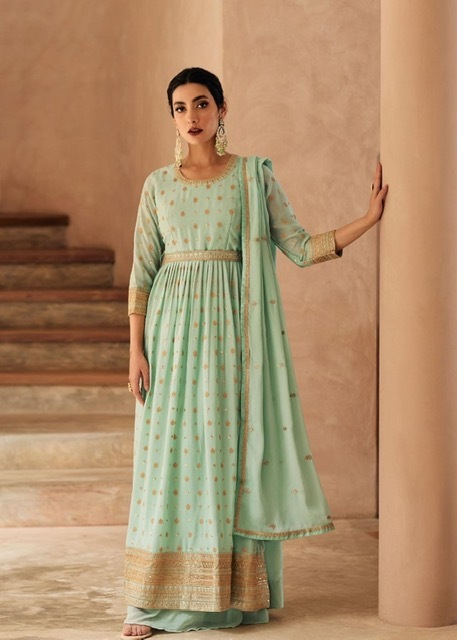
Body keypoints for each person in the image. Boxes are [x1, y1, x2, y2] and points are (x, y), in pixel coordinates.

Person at [122, 67, 388, 640]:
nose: (191, 116)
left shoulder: (251, 177)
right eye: (180, 108)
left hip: (232, 341)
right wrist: (136, 351)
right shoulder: (157, 186)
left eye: (201, 104)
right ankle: (153, 600)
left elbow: (299, 246)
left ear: (222, 109)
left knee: (224, 459)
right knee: (170, 459)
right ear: (172, 118)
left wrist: (367, 220)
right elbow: (142, 275)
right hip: (170, 337)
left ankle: (226, 594)